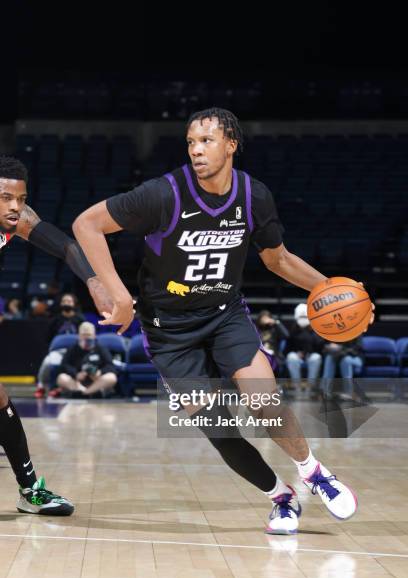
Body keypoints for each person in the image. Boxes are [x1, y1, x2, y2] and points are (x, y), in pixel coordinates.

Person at [73, 108, 374, 535]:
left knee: (263, 400)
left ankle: (313, 472)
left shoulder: (254, 197)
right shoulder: (162, 194)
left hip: (224, 315)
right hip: (168, 332)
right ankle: (280, 498)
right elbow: (86, 224)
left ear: (231, 144)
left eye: (207, 141)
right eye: (191, 142)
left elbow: (279, 259)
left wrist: (333, 290)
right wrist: (117, 294)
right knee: (220, 428)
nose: (196, 149)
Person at [0, 155, 112, 515]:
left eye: (21, 197)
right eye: (5, 198)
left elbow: (65, 246)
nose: (15, 207)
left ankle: (30, 491)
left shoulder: (17, 218)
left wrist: (94, 281)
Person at [34, 293, 85, 398]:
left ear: (74, 304)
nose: (67, 303)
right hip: (59, 351)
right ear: (61, 304)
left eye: (69, 301)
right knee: (48, 362)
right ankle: (41, 386)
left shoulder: (80, 320)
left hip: (75, 352)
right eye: (64, 301)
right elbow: (48, 339)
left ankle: (59, 388)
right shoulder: (55, 320)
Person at [57, 322, 117, 398]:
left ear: (94, 335)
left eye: (89, 335)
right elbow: (63, 365)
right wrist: (75, 374)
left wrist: (100, 372)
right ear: (79, 336)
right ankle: (82, 391)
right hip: (77, 382)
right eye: (83, 335)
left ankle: (86, 393)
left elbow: (111, 366)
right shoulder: (73, 349)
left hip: (96, 381)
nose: (86, 338)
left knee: (111, 377)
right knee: (61, 377)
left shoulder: (101, 349)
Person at [285, 303, 324, 397]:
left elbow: (319, 346)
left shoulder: (315, 328)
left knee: (316, 357)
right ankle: (297, 387)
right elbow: (287, 349)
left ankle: (310, 388)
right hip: (297, 356)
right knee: (291, 357)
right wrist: (297, 352)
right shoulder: (293, 329)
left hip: (311, 355)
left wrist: (311, 329)